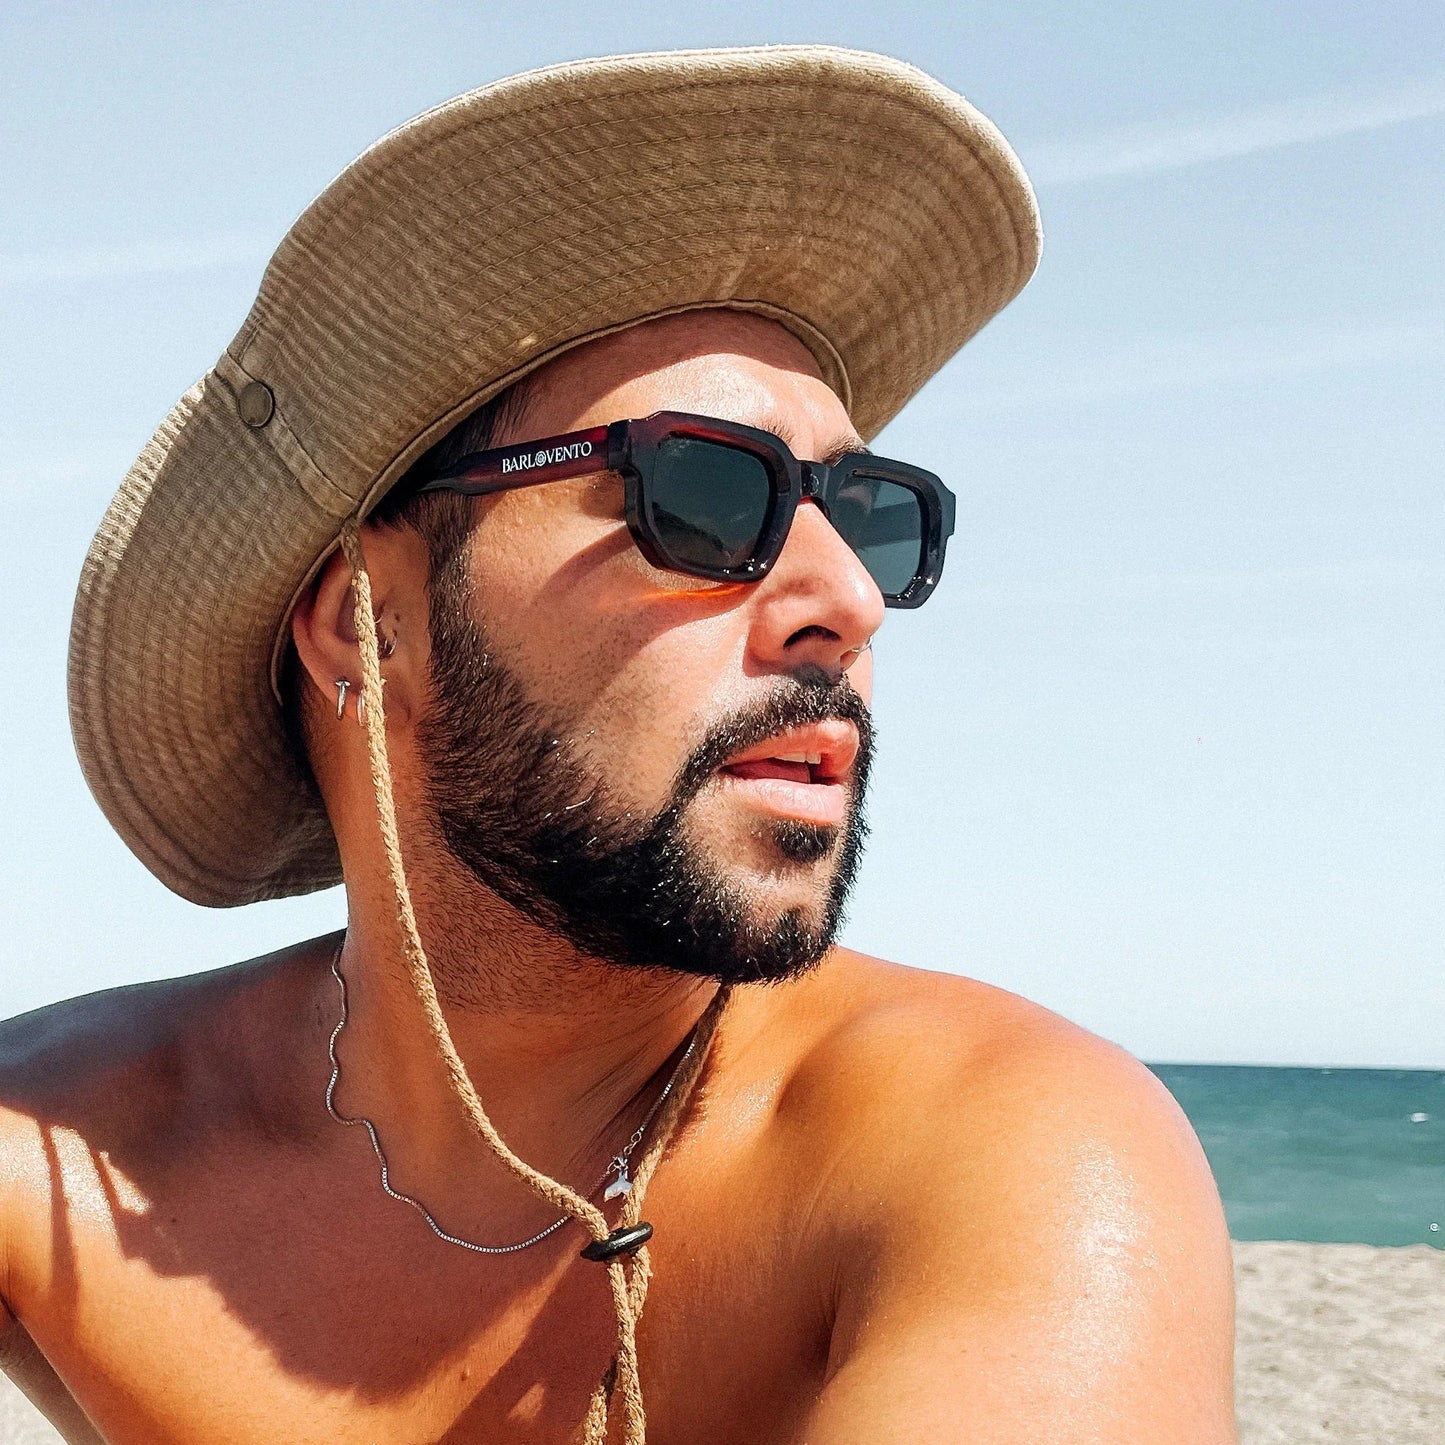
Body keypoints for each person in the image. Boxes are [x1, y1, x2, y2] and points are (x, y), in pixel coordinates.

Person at [0, 46, 1236, 1444]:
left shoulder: (1006, 1153)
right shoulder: (61, 1155)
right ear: (363, 620)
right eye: (702, 494)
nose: (841, 600)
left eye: (863, 511)